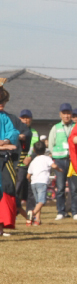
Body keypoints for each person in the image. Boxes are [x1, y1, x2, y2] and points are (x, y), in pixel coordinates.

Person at [48, 102, 77, 220]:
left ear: (71, 114)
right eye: (64, 113)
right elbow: (51, 144)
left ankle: (75, 211)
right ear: (60, 114)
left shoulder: (76, 126)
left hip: (73, 160)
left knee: (75, 188)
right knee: (60, 187)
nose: (66, 116)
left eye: (68, 113)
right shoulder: (56, 127)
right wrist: (56, 156)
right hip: (59, 161)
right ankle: (61, 212)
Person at [0, 83, 21, 236]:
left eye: (4, 103)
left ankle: (1, 225)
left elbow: (13, 132)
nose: (2, 106)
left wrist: (6, 141)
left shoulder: (5, 117)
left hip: (3, 160)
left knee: (6, 189)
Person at [27, 142, 56, 226]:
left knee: (37, 203)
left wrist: (30, 180)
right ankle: (32, 213)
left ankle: (37, 220)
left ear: (34, 150)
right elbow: (53, 166)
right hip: (42, 182)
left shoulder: (33, 161)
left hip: (33, 183)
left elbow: (28, 175)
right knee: (42, 201)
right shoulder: (47, 158)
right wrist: (59, 169)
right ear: (45, 150)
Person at [16, 109, 38, 212]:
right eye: (23, 118)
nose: (25, 120)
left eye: (27, 118)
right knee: (18, 186)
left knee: (30, 189)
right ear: (20, 119)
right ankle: (15, 209)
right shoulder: (16, 131)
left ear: (31, 119)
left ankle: (30, 210)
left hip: (30, 164)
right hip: (18, 163)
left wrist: (30, 156)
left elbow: (36, 147)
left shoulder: (34, 132)